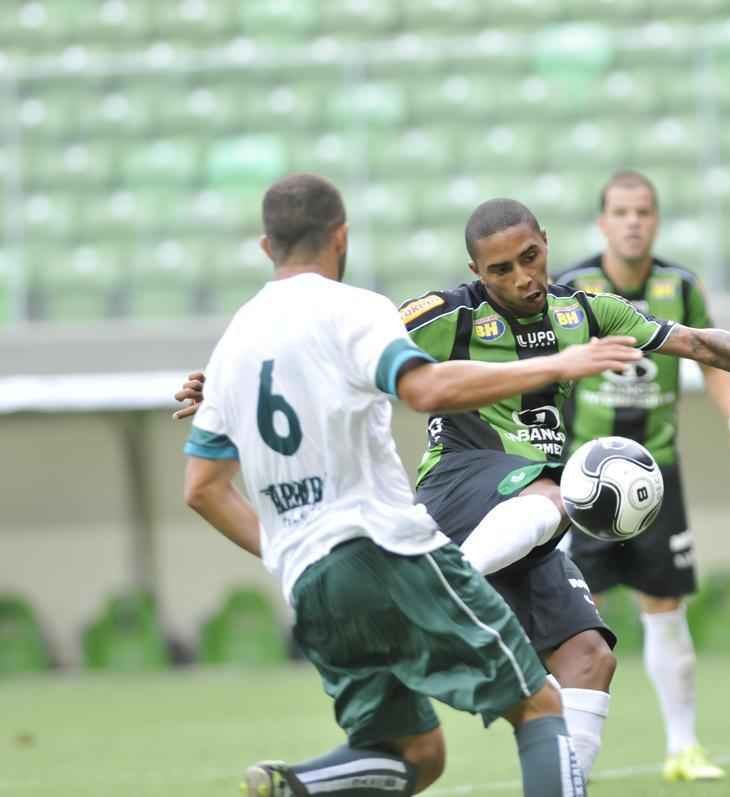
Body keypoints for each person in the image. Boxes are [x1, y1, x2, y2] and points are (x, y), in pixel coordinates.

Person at [179, 196, 730, 781]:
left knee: (588, 656)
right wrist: (219, 382)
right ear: (475, 271)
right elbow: (312, 346)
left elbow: (693, 341)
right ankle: (445, 574)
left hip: (530, 521)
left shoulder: (584, 309)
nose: (520, 277)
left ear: (545, 241)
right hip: (463, 486)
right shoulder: (445, 314)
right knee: (556, 494)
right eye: (499, 270)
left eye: (530, 257)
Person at [180, 173, 642, 797]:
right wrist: (559, 363)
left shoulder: (235, 342)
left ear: (267, 246)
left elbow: (203, 488)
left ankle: (305, 785)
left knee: (416, 756)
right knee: (539, 707)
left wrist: (286, 551)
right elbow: (424, 389)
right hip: (384, 551)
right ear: (341, 236)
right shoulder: (356, 309)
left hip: (310, 581)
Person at [552, 171, 730, 782]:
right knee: (567, 615)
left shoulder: (680, 286)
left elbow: (712, 361)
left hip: (654, 474)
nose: (633, 221)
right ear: (602, 222)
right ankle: (563, 751)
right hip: (582, 481)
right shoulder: (574, 288)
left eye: (643, 211)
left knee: (664, 607)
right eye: (620, 212)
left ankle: (682, 748)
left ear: (657, 220)